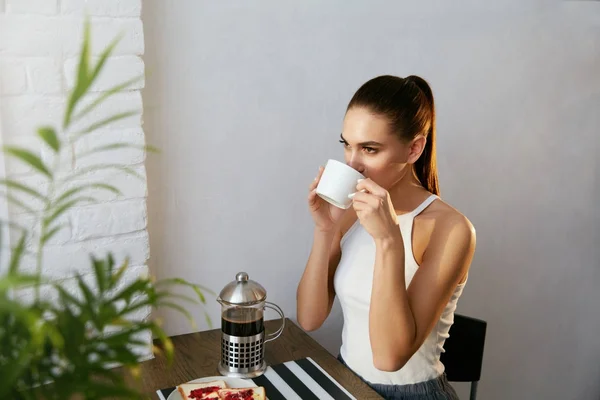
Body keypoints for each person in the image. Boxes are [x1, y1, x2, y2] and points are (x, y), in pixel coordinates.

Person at [296, 75, 476, 400]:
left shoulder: (451, 229)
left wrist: (388, 242)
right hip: (346, 383)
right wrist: (325, 230)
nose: (353, 164)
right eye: (347, 145)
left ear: (414, 149)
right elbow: (310, 319)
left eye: (369, 149)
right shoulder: (352, 211)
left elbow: (389, 358)